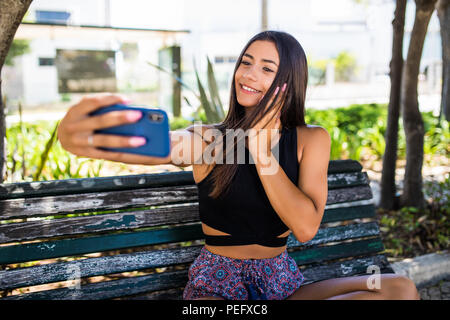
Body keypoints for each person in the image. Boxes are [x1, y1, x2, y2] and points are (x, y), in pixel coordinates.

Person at [57, 30, 420, 300]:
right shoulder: (213, 139)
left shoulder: (311, 139)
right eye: (246, 63)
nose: (249, 75)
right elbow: (165, 145)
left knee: (398, 289)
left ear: (288, 83)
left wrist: (263, 155)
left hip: (281, 281)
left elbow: (306, 227)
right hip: (217, 285)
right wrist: (82, 138)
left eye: (266, 68)